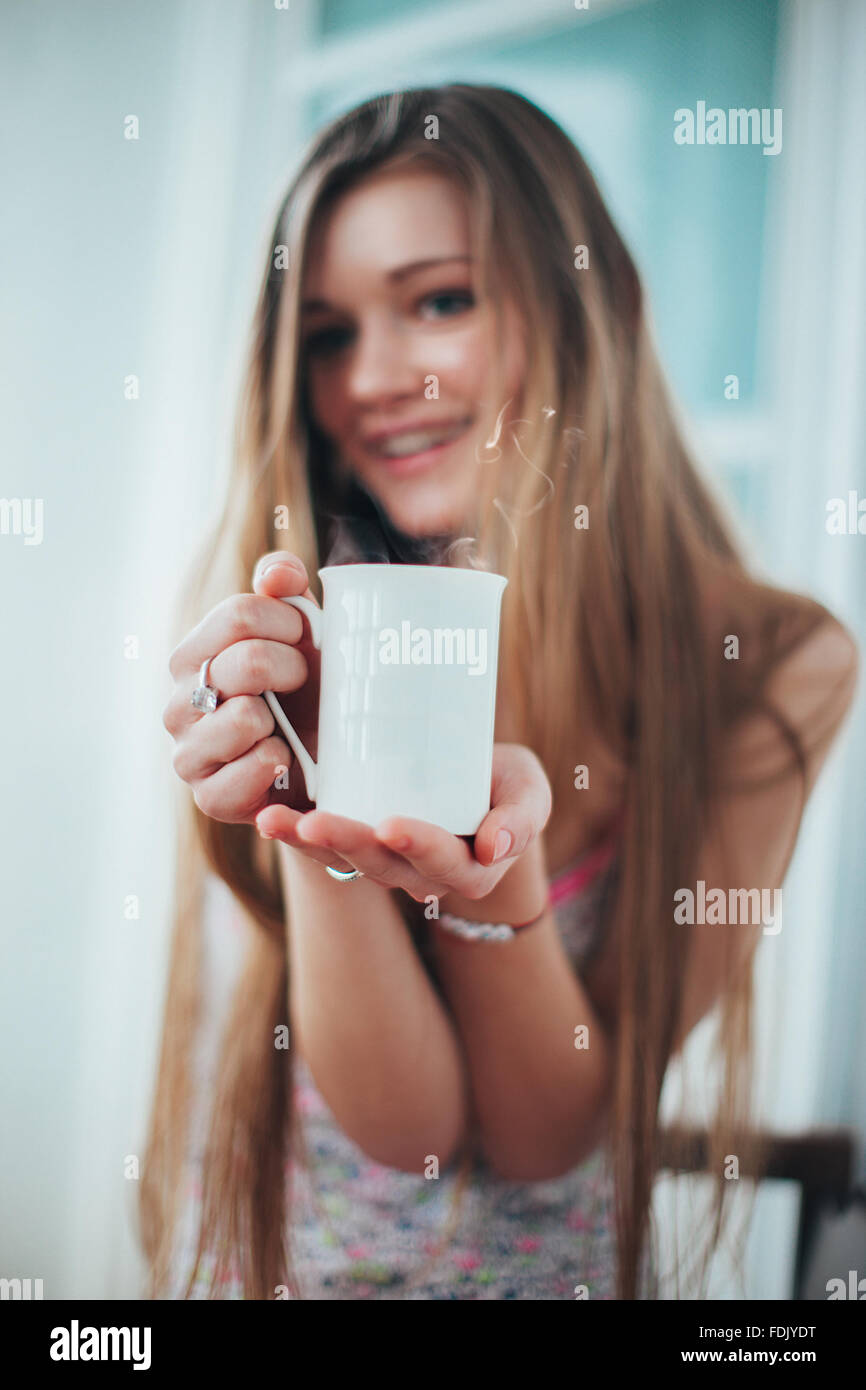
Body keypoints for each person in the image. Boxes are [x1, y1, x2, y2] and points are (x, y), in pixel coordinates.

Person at [143, 84, 858, 1300]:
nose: (370, 377)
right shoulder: (272, 634)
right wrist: (316, 813)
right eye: (324, 333)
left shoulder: (768, 665)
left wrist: (497, 887)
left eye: (438, 300)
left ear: (592, 304)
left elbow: (545, 1136)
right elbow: (402, 1125)